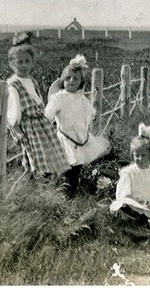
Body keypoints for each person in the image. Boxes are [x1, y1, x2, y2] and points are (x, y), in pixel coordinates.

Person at [44, 54, 110, 196]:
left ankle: (72, 192)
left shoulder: (82, 98)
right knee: (65, 167)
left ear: (81, 82)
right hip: (66, 139)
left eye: (76, 78)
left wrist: (90, 115)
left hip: (80, 139)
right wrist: (46, 119)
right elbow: (49, 112)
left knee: (76, 167)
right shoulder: (59, 97)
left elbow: (90, 112)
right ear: (62, 80)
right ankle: (60, 192)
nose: (71, 81)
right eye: (68, 78)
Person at [6, 32, 70, 177]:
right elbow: (13, 111)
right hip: (29, 126)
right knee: (34, 158)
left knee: (50, 155)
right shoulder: (12, 84)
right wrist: (16, 130)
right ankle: (35, 184)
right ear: (11, 63)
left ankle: (48, 183)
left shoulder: (32, 81)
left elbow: (40, 102)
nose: (23, 65)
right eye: (19, 62)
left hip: (41, 124)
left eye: (27, 61)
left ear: (32, 62)